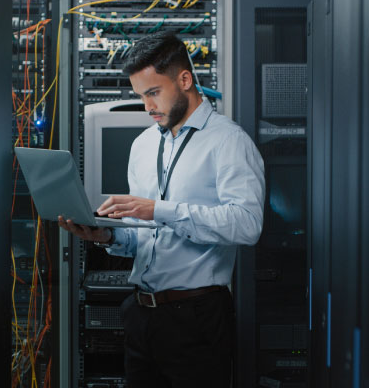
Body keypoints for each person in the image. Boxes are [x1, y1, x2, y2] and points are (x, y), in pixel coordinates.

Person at [57, 31, 265, 388]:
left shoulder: (229, 141)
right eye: (141, 96)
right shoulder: (143, 144)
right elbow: (143, 237)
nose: (147, 107)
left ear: (184, 79)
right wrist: (106, 235)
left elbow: (247, 225)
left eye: (153, 93)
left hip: (196, 317)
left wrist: (160, 210)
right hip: (141, 314)